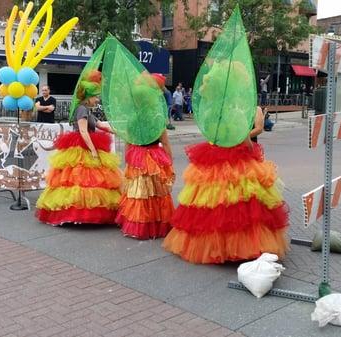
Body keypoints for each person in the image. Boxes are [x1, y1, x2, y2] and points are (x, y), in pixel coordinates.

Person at [162, 9, 289, 264]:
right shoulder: (232, 111)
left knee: (216, 204)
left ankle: (217, 244)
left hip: (221, 157)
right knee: (235, 204)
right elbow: (240, 135)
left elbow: (234, 132)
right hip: (235, 157)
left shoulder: (222, 111)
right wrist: (245, 143)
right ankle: (235, 245)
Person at [36, 70, 122, 226]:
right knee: (80, 182)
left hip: (85, 144)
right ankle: (77, 213)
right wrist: (94, 150)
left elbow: (100, 125)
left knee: (88, 183)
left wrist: (121, 132)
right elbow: (83, 131)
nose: (97, 100)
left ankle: (83, 214)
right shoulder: (82, 109)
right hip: (81, 146)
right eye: (96, 97)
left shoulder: (86, 110)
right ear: (88, 97)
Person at [115, 73, 175, 239]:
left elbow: (128, 141)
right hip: (155, 155)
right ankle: (155, 224)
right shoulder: (157, 118)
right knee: (156, 192)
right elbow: (166, 143)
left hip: (137, 155)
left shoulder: (132, 119)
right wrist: (170, 162)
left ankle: (138, 224)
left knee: (138, 191)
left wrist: (129, 158)